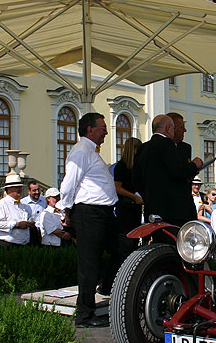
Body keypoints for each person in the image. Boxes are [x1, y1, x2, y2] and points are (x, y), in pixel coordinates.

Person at [57, 112, 118, 328]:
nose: (106, 132)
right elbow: (68, 184)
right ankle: (84, 315)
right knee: (89, 265)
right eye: (102, 127)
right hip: (89, 214)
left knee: (121, 248)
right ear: (90, 129)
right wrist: (66, 211)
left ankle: (108, 290)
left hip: (101, 214)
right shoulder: (81, 151)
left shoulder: (90, 152)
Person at [134, 114, 203, 228]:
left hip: (153, 208)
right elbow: (177, 170)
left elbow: (137, 178)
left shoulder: (144, 148)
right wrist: (194, 165)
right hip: (173, 210)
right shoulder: (166, 143)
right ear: (168, 128)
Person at [113, 137, 143, 256]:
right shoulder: (121, 166)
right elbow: (117, 187)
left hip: (135, 208)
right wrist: (133, 196)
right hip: (125, 208)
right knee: (126, 243)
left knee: (134, 241)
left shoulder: (136, 167)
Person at [0, 174, 37, 248]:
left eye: (20, 187)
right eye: (16, 187)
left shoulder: (24, 206)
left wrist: (29, 224)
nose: (19, 189)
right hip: (6, 245)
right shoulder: (1, 205)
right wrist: (17, 225)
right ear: (9, 189)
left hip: (24, 245)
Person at [22, 180, 46, 246]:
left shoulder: (45, 201)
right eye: (34, 190)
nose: (37, 192)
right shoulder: (23, 203)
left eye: (38, 190)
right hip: (30, 233)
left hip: (43, 232)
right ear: (29, 191)